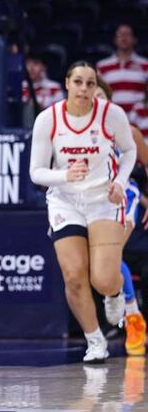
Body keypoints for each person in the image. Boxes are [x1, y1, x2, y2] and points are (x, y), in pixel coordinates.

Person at [29, 61, 136, 363]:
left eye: (90, 83)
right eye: (78, 82)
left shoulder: (111, 114)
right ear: (66, 83)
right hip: (65, 201)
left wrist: (120, 181)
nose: (84, 89)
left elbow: (129, 152)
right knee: (74, 277)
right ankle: (95, 341)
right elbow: (36, 172)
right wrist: (65, 176)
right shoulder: (48, 119)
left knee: (102, 279)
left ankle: (115, 294)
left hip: (103, 198)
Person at [93, 77, 146, 357]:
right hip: (92, 199)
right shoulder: (74, 132)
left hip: (124, 195)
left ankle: (133, 319)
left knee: (112, 255)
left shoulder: (127, 131)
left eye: (101, 95)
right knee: (99, 263)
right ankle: (128, 311)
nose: (96, 100)